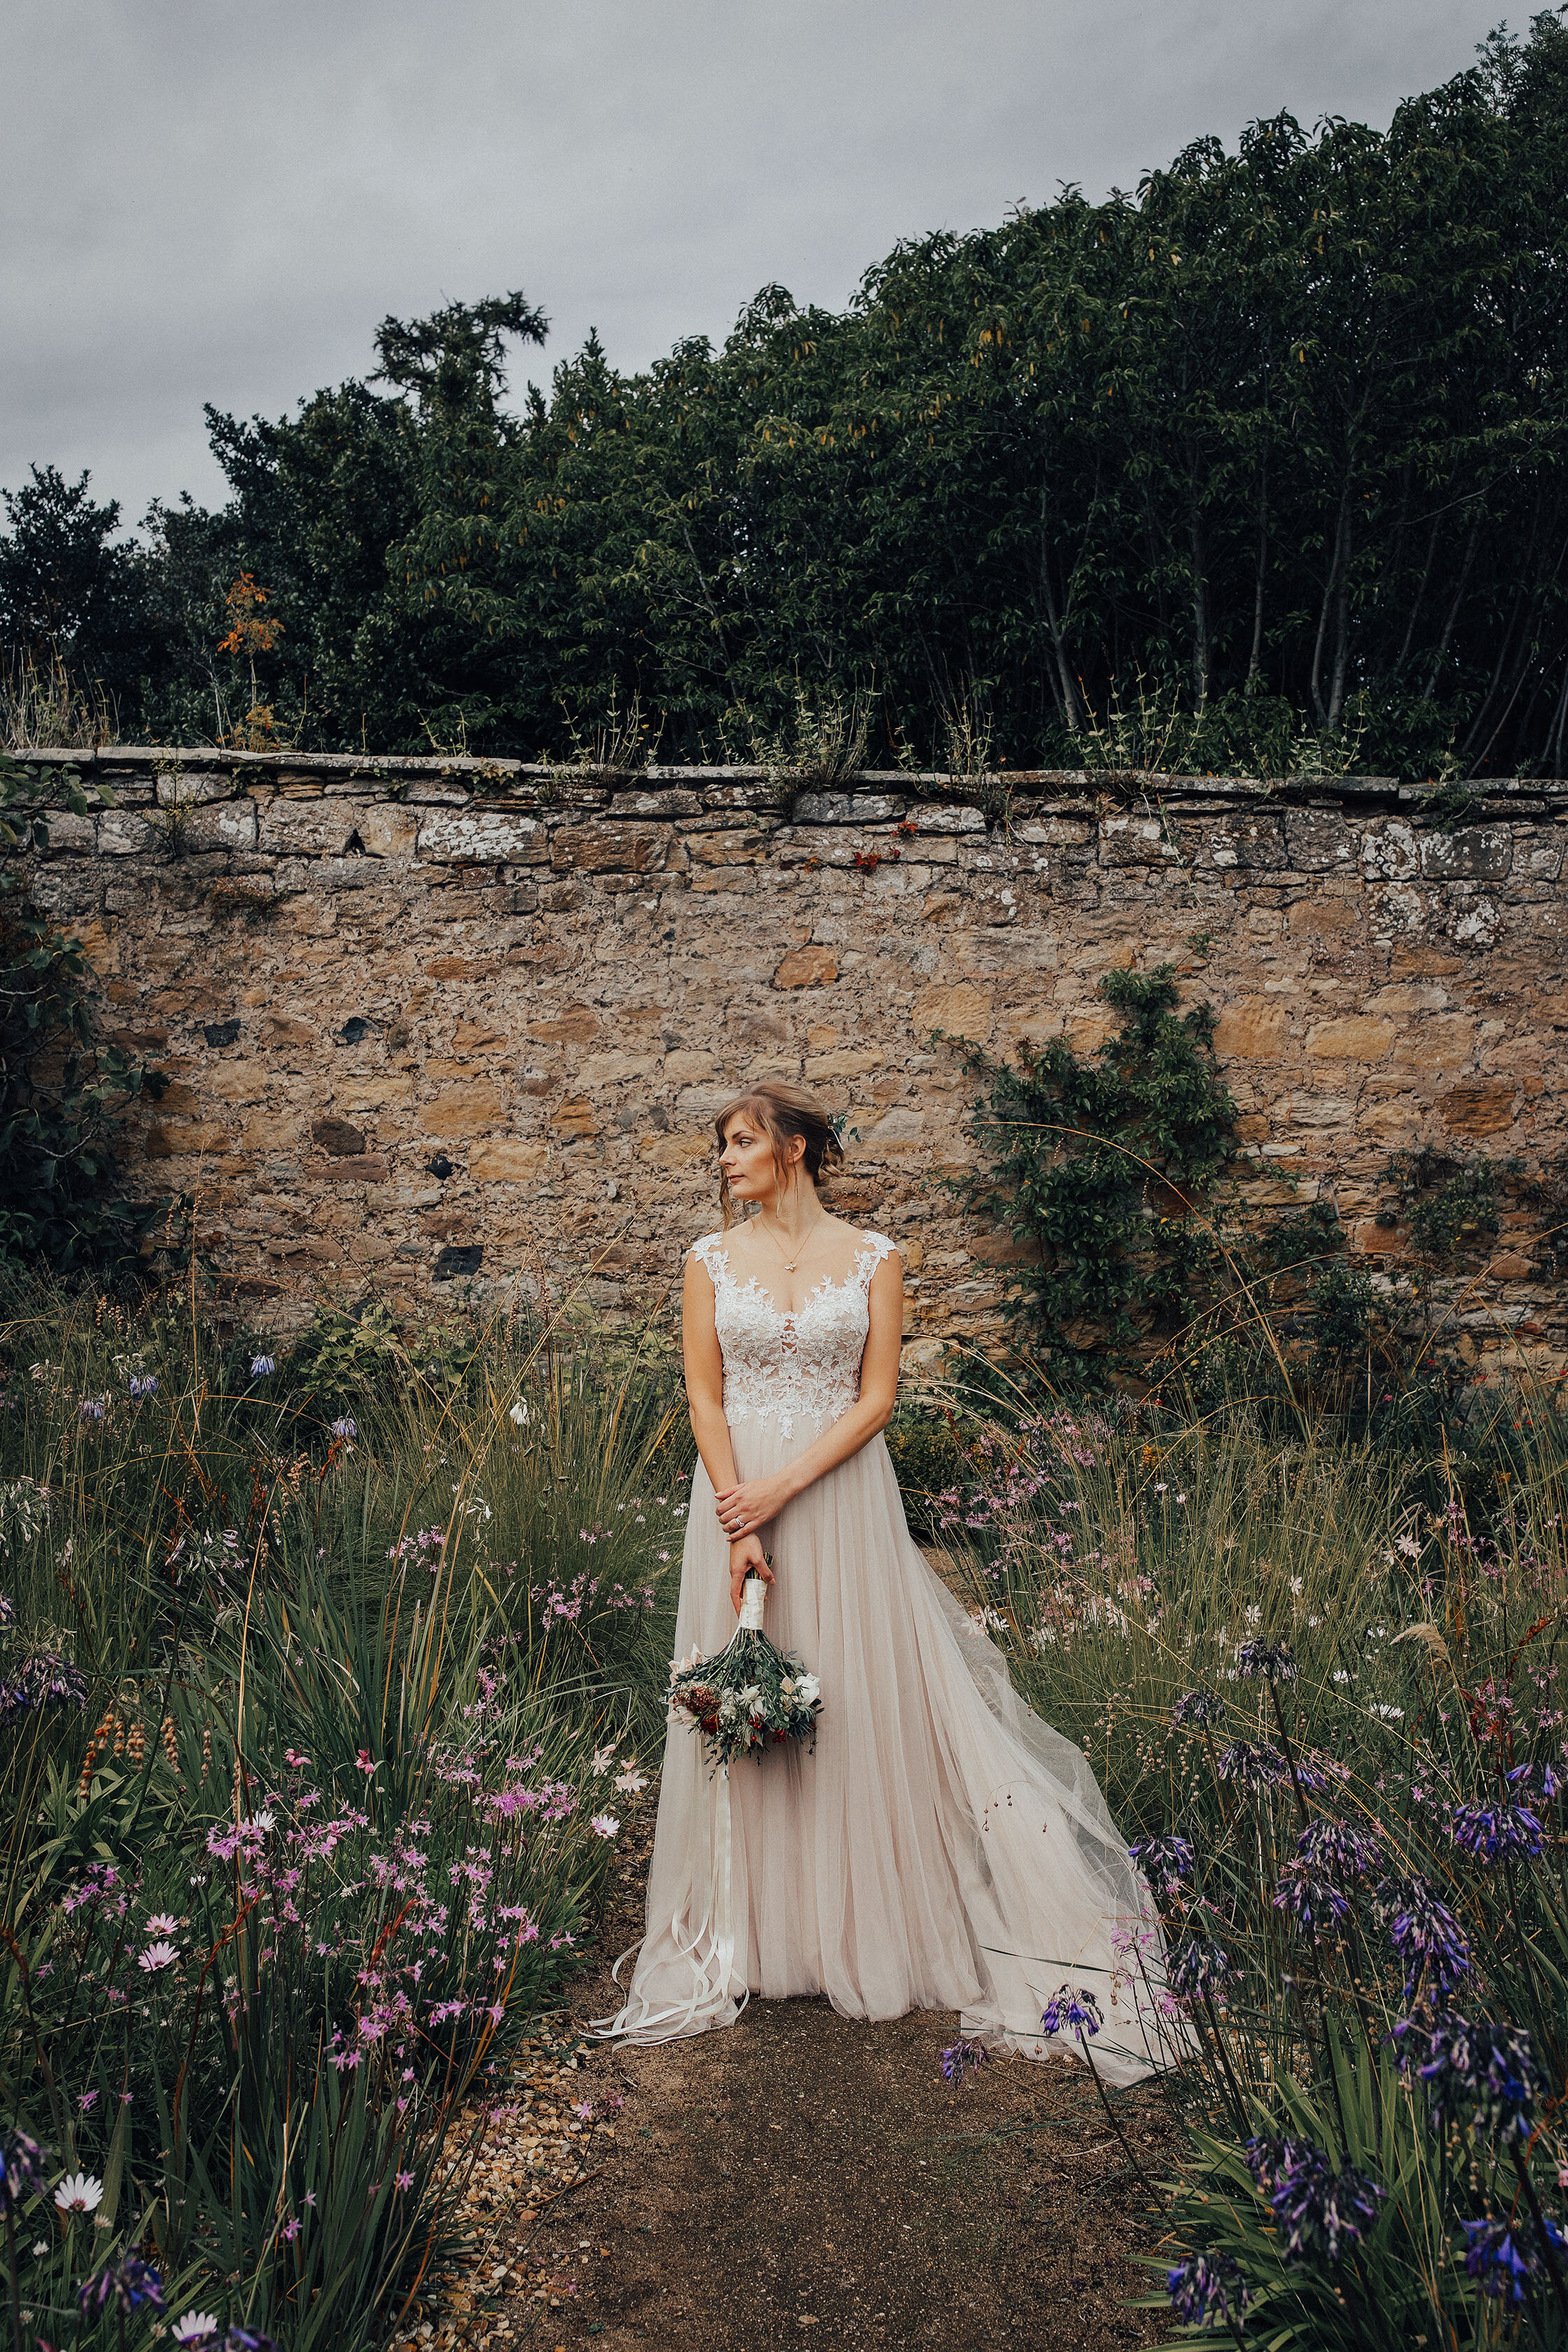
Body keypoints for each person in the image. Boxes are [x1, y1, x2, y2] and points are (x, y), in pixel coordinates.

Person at [597, 1080, 1162, 2082]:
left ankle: (863, 1925)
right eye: (722, 1147)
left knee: (854, 1697)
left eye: (739, 1143)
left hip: (839, 1492)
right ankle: (756, 1936)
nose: (725, 1161)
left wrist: (784, 1487)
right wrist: (739, 1512)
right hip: (732, 1503)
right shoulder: (706, 1261)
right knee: (745, 1700)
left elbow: (878, 1397)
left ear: (796, 1149)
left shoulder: (874, 1259)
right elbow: (702, 1387)